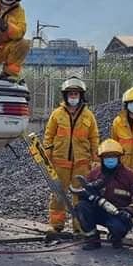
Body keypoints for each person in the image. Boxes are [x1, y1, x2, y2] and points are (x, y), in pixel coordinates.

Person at [43, 77, 100, 236]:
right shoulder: (57, 114)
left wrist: (95, 159)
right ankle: (57, 225)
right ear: (65, 95)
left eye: (76, 93)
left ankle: (79, 226)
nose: (73, 96)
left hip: (81, 164)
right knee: (58, 194)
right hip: (60, 163)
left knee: (79, 195)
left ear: (81, 96)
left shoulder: (88, 116)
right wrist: (47, 153)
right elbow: (49, 136)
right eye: (70, 93)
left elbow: (94, 138)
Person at [75, 139, 133, 250]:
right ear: (101, 158)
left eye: (113, 156)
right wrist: (89, 195)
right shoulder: (95, 174)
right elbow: (83, 194)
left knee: (118, 228)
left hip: (119, 214)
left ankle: (115, 236)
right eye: (107, 157)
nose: (110, 160)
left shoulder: (130, 176)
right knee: (81, 207)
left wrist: (129, 211)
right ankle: (93, 239)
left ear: (119, 158)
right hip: (99, 211)